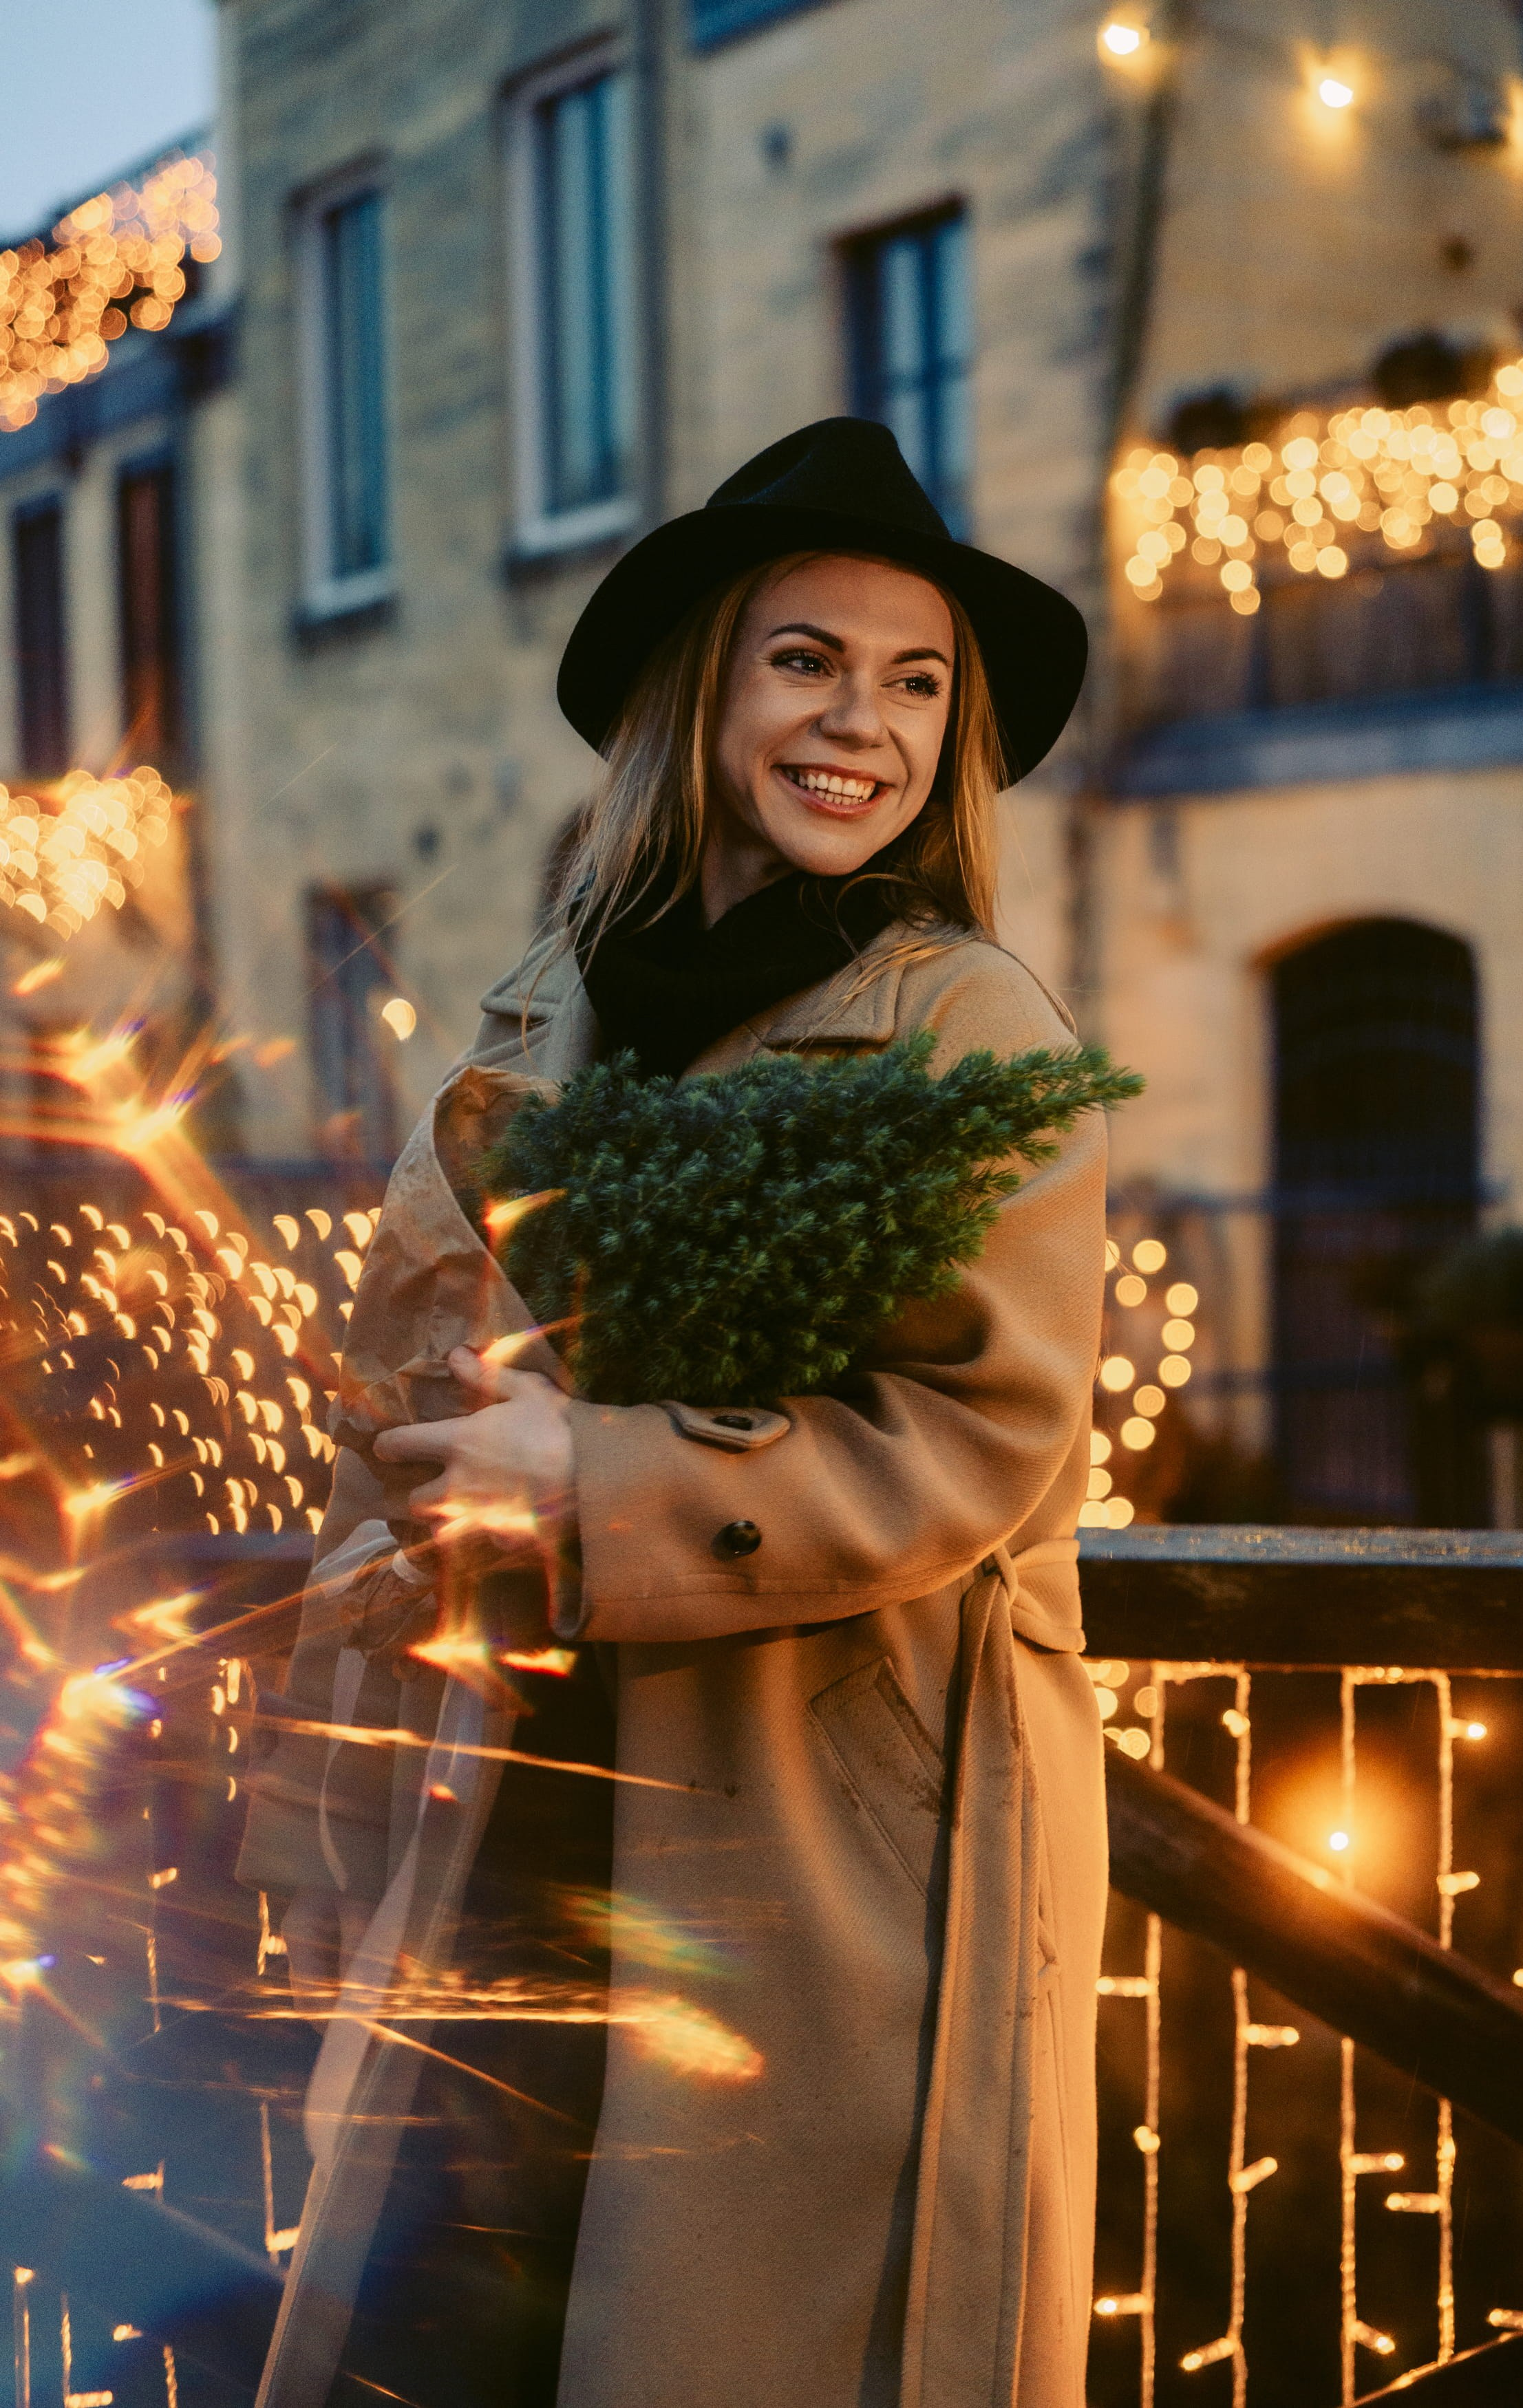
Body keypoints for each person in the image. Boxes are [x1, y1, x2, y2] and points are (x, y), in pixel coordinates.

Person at [238, 417, 1109, 2408]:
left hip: (823, 1839)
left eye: (915, 686)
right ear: (704, 680)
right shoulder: (549, 1000)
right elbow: (388, 1399)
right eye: (808, 660)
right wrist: (312, 1772)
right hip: (518, 1795)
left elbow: (982, 1440)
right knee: (464, 2320)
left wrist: (596, 1474)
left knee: (743, 2333)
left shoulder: (965, 1019)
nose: (860, 726)